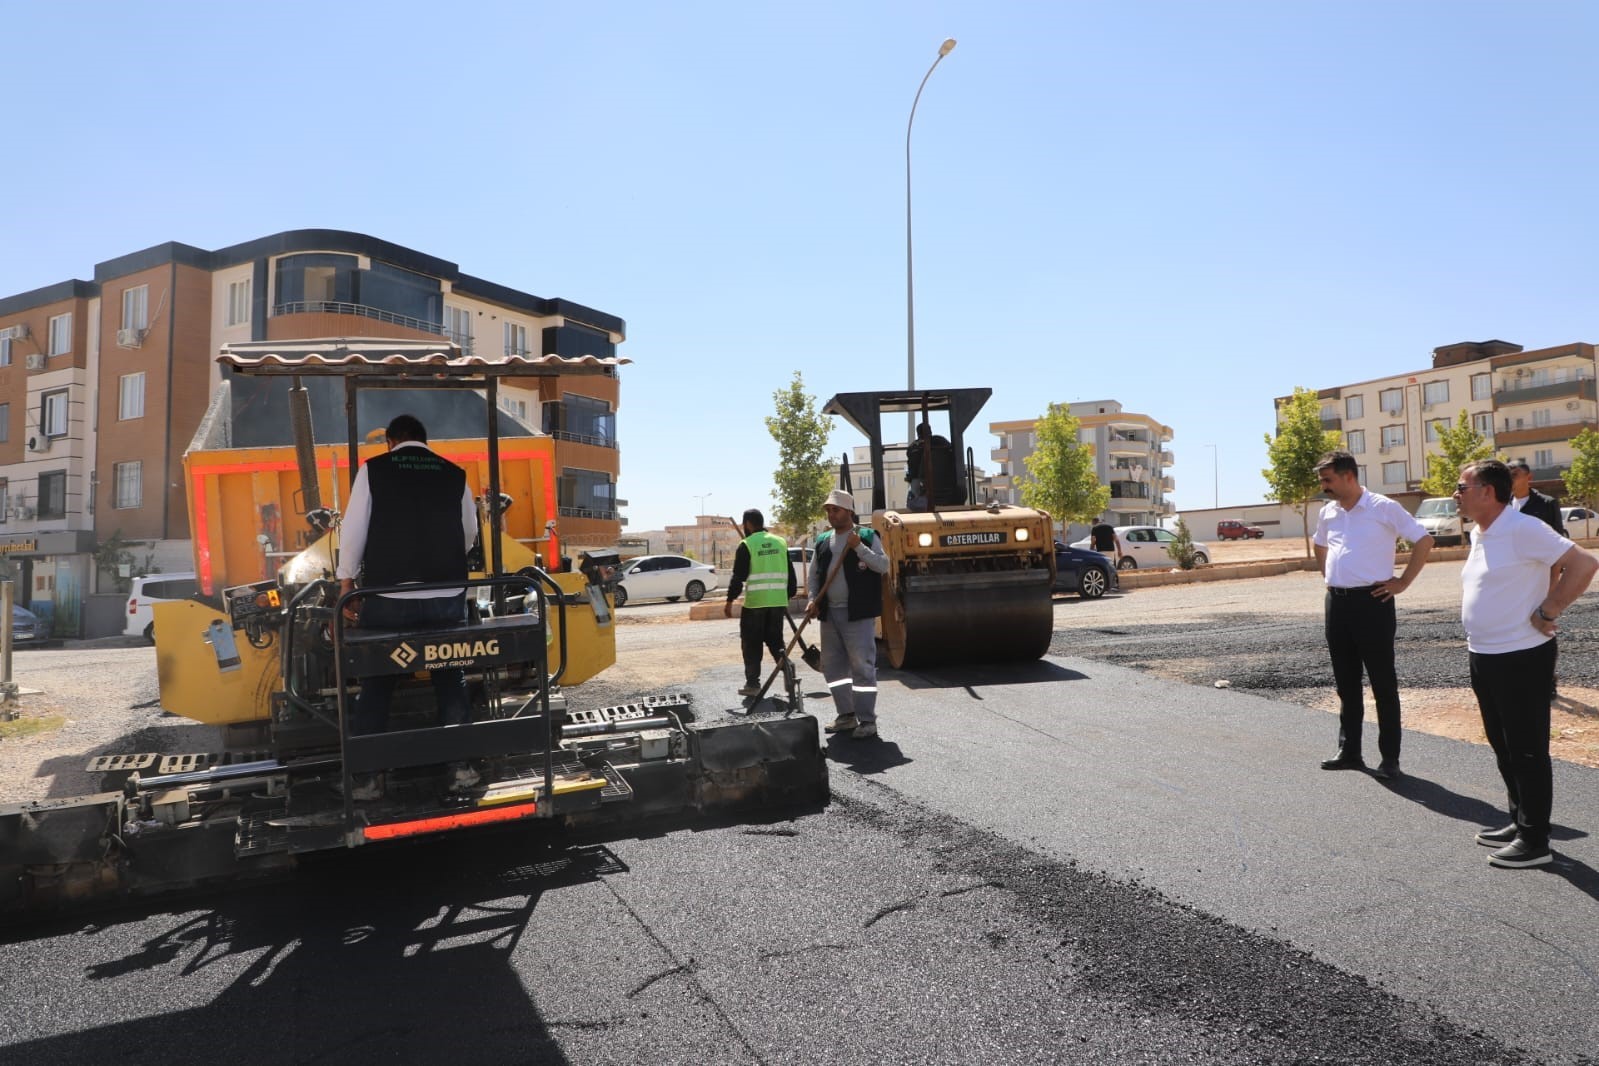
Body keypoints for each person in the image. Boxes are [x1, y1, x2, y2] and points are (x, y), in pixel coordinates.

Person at [1455, 460, 1597, 868]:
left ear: (1488, 491)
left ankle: (1536, 840)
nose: (1456, 493)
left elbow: (1583, 563)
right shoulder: (1479, 532)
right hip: (1484, 653)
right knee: (1503, 745)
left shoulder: (1523, 527)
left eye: (1462, 486)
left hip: (1521, 655)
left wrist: (1550, 608)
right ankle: (1520, 819)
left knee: (1527, 749)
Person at [335, 414, 480, 797]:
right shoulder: (455, 473)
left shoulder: (375, 470)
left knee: (378, 677)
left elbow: (354, 530)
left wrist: (346, 581)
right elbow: (468, 534)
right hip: (446, 595)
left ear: (390, 442)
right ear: (424, 440)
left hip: (389, 596)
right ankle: (459, 769)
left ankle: (370, 778)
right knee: (450, 674)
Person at [1312, 450, 1434, 779]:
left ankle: (1389, 758)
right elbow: (1319, 544)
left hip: (1373, 602)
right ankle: (1349, 750)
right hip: (1337, 604)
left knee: (1382, 682)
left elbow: (1424, 541)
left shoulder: (1383, 507)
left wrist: (1403, 582)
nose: (1323, 486)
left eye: (1328, 480)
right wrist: (1328, 577)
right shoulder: (1328, 512)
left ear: (1349, 476)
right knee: (1346, 683)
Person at [804, 489, 890, 739]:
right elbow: (814, 575)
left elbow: (883, 566)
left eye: (836, 510)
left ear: (849, 511)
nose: (831, 514)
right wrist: (812, 600)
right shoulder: (823, 541)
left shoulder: (866, 536)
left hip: (858, 615)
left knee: (861, 667)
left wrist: (859, 548)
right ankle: (846, 715)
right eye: (829, 510)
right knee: (833, 668)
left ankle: (867, 721)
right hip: (830, 615)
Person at [724, 508, 798, 697]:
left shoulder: (746, 545)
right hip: (777, 603)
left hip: (755, 604)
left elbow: (738, 577)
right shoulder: (780, 542)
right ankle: (788, 669)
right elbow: (790, 573)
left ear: (748, 524)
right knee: (776, 642)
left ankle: (753, 684)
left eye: (744, 524)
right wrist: (788, 595)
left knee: (751, 643)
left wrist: (730, 600)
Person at [1506, 459, 1567, 535]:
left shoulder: (1547, 504)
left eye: (1514, 475)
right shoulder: (1503, 505)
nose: (1510, 480)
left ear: (1529, 477)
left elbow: (1558, 537)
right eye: (1507, 476)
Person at [905, 421, 956, 509]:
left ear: (918, 433)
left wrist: (910, 478)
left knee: (912, 500)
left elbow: (912, 471)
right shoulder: (941, 441)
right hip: (948, 483)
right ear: (930, 431)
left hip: (922, 484)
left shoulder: (912, 447)